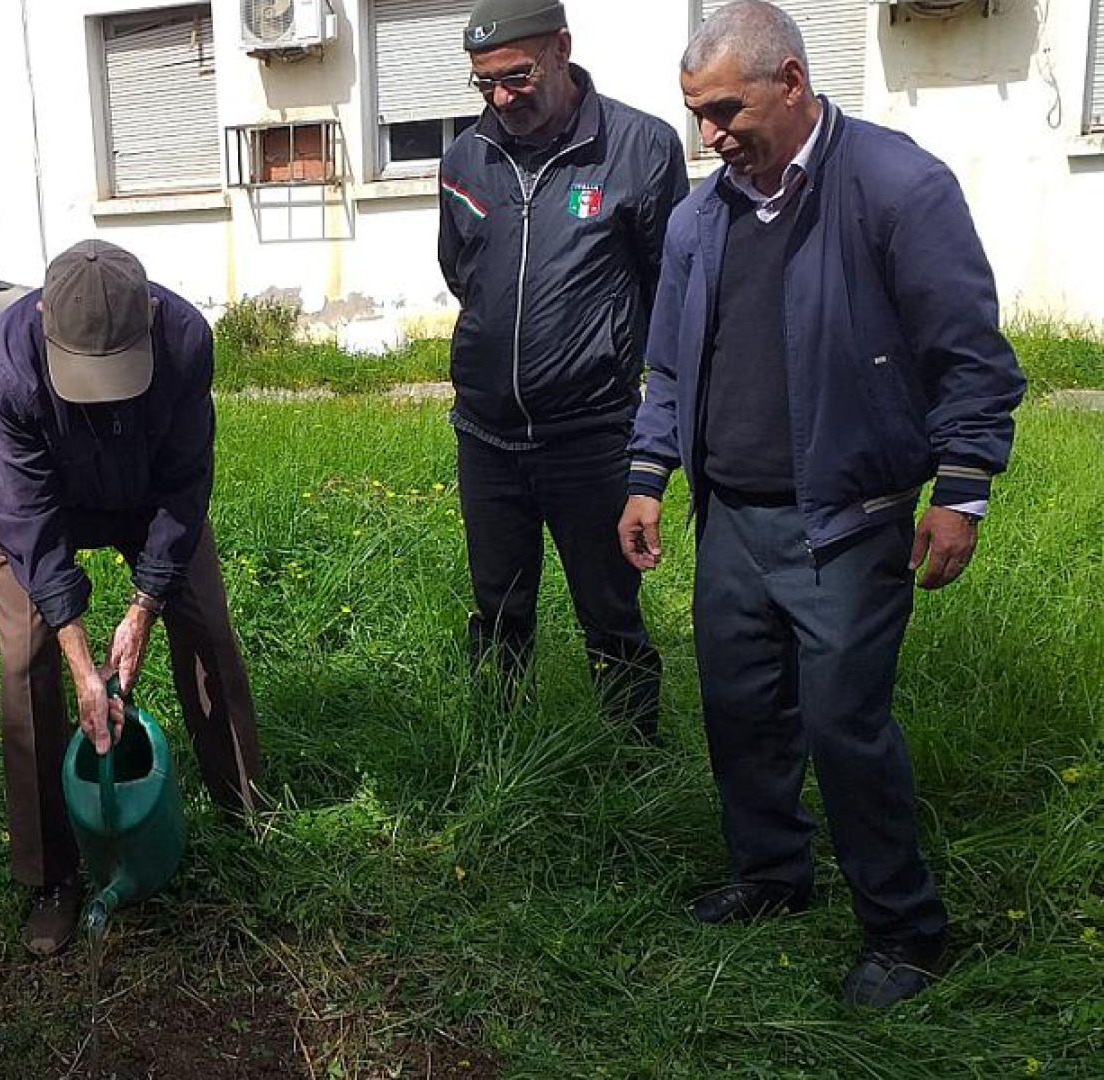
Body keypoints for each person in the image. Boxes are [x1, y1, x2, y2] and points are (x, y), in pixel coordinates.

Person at [618, 0, 1025, 1008]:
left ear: (790, 82)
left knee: (845, 725)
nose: (709, 135)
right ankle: (770, 876)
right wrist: (646, 473)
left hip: (846, 517)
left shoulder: (895, 186)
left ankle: (904, 931)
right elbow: (668, 365)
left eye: (724, 110)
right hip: (733, 521)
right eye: (696, 114)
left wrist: (962, 490)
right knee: (740, 713)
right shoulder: (697, 219)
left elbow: (968, 356)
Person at [0, 240, 261, 957]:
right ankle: (50, 875)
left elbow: (184, 482)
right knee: (26, 660)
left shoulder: (185, 339)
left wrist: (144, 604)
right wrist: (81, 662)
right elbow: (29, 523)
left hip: (146, 499)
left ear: (151, 317)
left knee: (207, 628)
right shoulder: (10, 364)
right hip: (46, 509)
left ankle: (246, 814)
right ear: (43, 319)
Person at [438, 0, 687, 739]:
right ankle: (500, 748)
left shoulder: (640, 147)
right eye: (483, 84)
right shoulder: (464, 157)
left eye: (516, 78)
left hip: (591, 438)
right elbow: (462, 273)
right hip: (484, 435)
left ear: (561, 49)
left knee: (609, 612)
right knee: (498, 605)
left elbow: (667, 289)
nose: (501, 99)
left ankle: (631, 759)